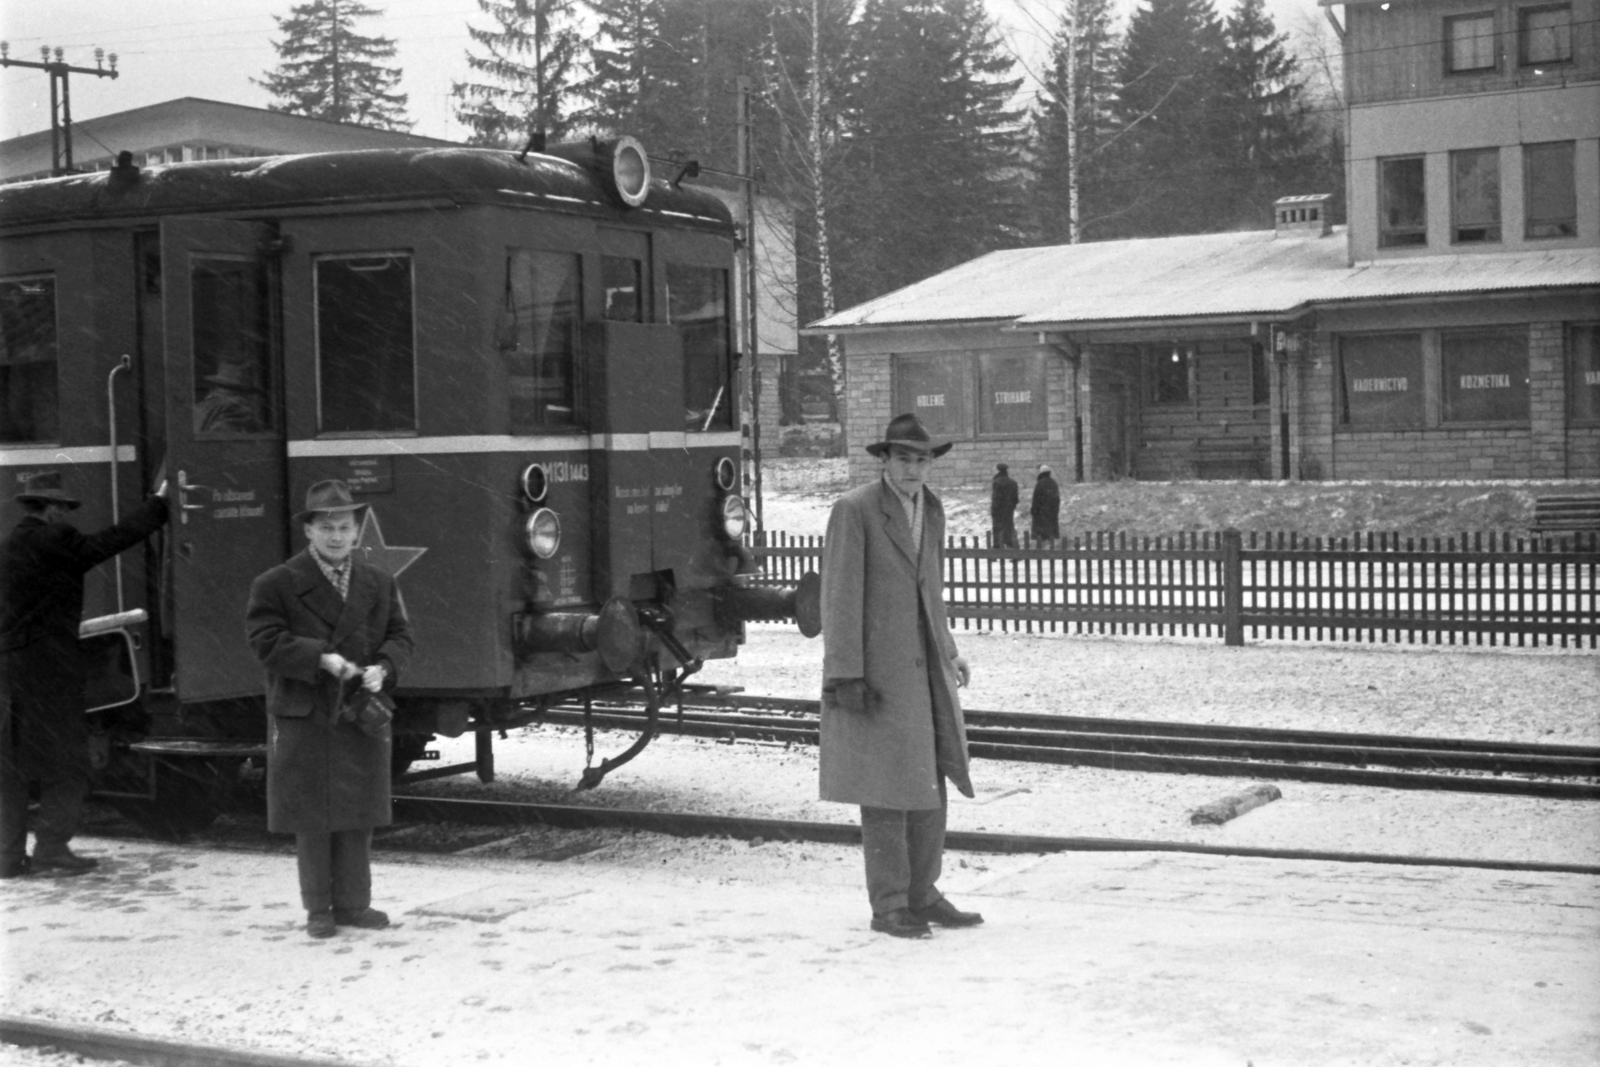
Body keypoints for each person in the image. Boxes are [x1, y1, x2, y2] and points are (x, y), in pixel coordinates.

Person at [819, 413, 983, 939]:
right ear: (885, 461)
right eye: (905, 459)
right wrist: (845, 674)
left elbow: (929, 588)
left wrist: (949, 652)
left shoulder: (929, 509)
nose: (915, 469)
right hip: (878, 673)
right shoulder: (855, 510)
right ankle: (889, 904)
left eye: (923, 460)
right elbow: (839, 596)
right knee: (886, 788)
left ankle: (923, 893)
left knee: (931, 778)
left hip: (926, 669)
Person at [245, 480, 412, 938]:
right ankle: (318, 909)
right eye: (326, 527)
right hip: (307, 710)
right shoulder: (276, 583)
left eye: (344, 527)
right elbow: (263, 642)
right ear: (309, 531)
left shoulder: (379, 582)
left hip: (360, 710)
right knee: (312, 816)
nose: (336, 536)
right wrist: (319, 657)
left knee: (359, 812)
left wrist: (384, 667)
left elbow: (401, 636)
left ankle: (355, 905)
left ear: (357, 531)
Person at [1, 470, 169, 878]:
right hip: (48, 675)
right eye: (63, 508)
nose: (65, 516)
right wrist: (158, 507)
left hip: (7, 674)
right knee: (67, 766)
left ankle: (6, 857)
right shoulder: (55, 539)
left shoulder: (8, 545)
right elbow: (111, 541)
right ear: (52, 508)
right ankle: (51, 849)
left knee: (10, 770)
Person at [194, 361, 265, 434]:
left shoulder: (234, 408)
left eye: (221, 387)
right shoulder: (225, 407)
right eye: (217, 386)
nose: (213, 392)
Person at [1030, 464, 1061, 544]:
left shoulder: (1040, 483)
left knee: (1041, 532)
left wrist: (1034, 510)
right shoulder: (1053, 483)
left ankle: (1042, 544)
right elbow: (1057, 498)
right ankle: (1050, 543)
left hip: (1041, 512)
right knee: (1050, 531)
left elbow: (1036, 498)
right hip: (1051, 512)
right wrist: (1055, 509)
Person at [990, 463, 1018, 549]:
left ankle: (997, 547)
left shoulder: (997, 482)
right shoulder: (1013, 482)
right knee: (1009, 528)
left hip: (999, 511)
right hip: (1009, 510)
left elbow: (996, 498)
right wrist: (1011, 506)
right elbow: (1016, 499)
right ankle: (1011, 546)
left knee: (998, 530)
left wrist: (994, 510)